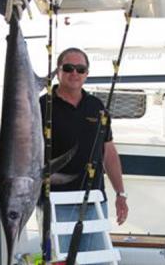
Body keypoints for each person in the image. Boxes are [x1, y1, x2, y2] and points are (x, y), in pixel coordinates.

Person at [39, 47, 128, 260]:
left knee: (97, 261)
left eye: (80, 69)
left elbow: (109, 153)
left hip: (95, 200)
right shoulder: (42, 106)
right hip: (55, 202)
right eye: (68, 68)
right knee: (60, 261)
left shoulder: (97, 106)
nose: (74, 73)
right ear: (58, 71)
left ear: (87, 73)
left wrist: (120, 194)